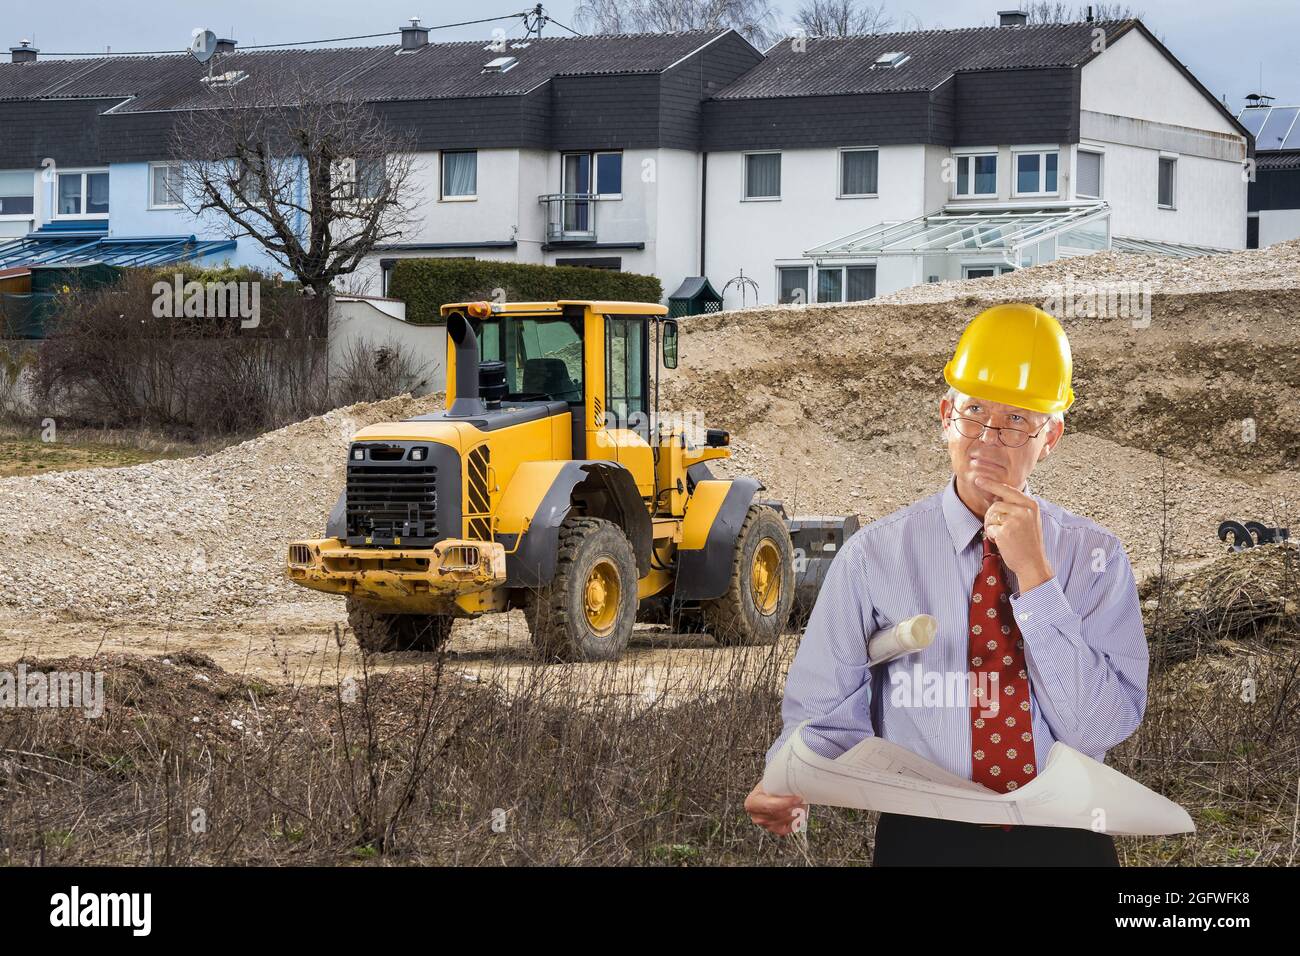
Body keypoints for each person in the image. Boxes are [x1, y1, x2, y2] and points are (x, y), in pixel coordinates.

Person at [746, 303, 1149, 866]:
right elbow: (826, 709)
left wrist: (1035, 577)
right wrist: (790, 777)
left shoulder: (1095, 557)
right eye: (974, 411)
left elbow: (1096, 725)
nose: (988, 438)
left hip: (1066, 835)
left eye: (1016, 421)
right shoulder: (873, 556)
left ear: (1051, 435)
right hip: (925, 840)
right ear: (945, 416)